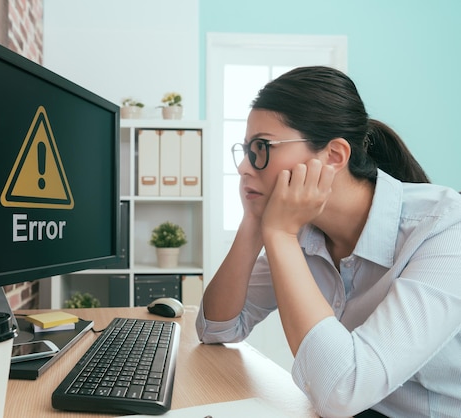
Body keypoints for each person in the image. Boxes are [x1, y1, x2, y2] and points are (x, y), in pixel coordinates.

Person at [196, 66, 461, 418]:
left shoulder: (444, 227)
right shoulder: (307, 232)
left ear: (334, 156)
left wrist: (279, 234)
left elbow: (343, 390)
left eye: (261, 147)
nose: (245, 166)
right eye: (244, 150)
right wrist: (254, 223)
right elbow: (217, 328)